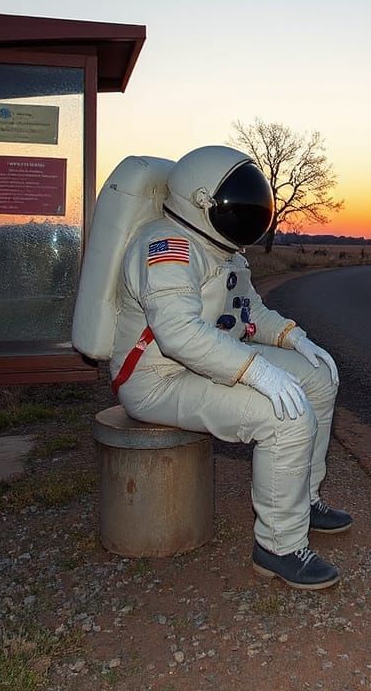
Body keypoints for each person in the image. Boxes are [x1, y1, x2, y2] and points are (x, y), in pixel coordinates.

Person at [109, 145, 350, 590]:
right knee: (287, 416)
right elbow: (178, 333)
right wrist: (255, 370)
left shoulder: (223, 252)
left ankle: (305, 499)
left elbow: (248, 311)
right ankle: (278, 546)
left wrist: (293, 338)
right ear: (201, 202)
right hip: (156, 379)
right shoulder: (166, 247)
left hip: (209, 360)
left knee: (316, 379)